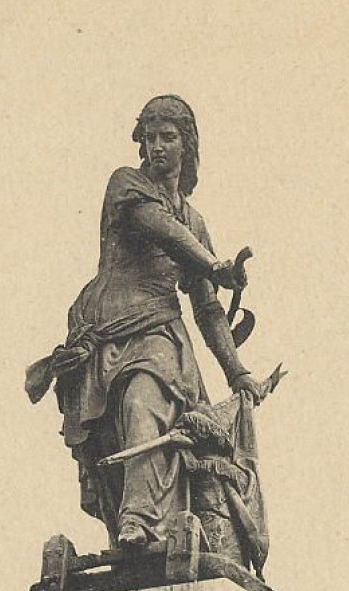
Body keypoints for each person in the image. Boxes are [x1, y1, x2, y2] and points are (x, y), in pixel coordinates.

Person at [26, 95, 264, 548]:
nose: (157, 147)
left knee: (144, 401)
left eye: (168, 138)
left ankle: (140, 520)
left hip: (157, 333)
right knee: (107, 442)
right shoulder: (127, 186)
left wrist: (238, 372)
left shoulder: (195, 221)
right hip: (105, 330)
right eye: (150, 138)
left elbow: (208, 308)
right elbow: (156, 227)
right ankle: (127, 535)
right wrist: (215, 265)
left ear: (187, 146)